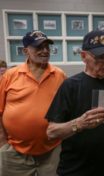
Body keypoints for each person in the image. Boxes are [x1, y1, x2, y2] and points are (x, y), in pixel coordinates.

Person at [45, 30, 104, 176]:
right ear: (84, 56)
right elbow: (51, 132)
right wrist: (79, 123)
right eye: (99, 58)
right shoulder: (70, 86)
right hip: (74, 170)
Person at [0, 30, 66, 176]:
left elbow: (66, 109)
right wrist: (2, 142)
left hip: (52, 151)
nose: (45, 51)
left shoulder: (59, 75)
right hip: (14, 153)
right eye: (39, 47)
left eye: (47, 47)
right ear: (25, 51)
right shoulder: (10, 76)